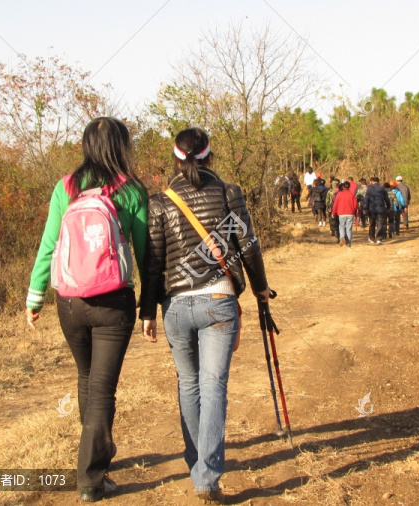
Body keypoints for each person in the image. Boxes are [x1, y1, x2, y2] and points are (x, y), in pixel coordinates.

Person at [139, 127, 271, 505]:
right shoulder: (229, 192)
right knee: (213, 387)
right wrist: (261, 287)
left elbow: (153, 262)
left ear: (175, 158)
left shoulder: (160, 201)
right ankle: (207, 477)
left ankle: (197, 462)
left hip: (176, 306)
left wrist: (148, 310)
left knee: (189, 384)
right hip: (219, 299)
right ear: (209, 155)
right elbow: (246, 243)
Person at [24, 117, 148, 503]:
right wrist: (151, 305)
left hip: (70, 301)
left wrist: (34, 296)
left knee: (86, 377)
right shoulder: (131, 191)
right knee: (102, 389)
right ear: (121, 147)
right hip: (114, 302)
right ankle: (92, 478)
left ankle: (95, 453)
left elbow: (49, 245)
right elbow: (146, 252)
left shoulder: (65, 186)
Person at [365, 176, 392, 244]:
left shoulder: (369, 189)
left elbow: (366, 199)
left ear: (371, 181)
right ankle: (379, 238)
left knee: (372, 224)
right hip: (381, 209)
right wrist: (388, 206)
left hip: (372, 209)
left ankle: (371, 238)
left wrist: (364, 208)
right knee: (380, 224)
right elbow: (386, 199)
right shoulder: (382, 189)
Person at [332, 180, 358, 247]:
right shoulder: (352, 194)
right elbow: (355, 204)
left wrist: (333, 212)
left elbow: (335, 204)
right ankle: (349, 243)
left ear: (343, 186)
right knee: (349, 228)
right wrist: (355, 212)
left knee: (341, 226)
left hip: (341, 213)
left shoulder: (339, 194)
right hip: (350, 213)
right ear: (349, 187)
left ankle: (342, 237)